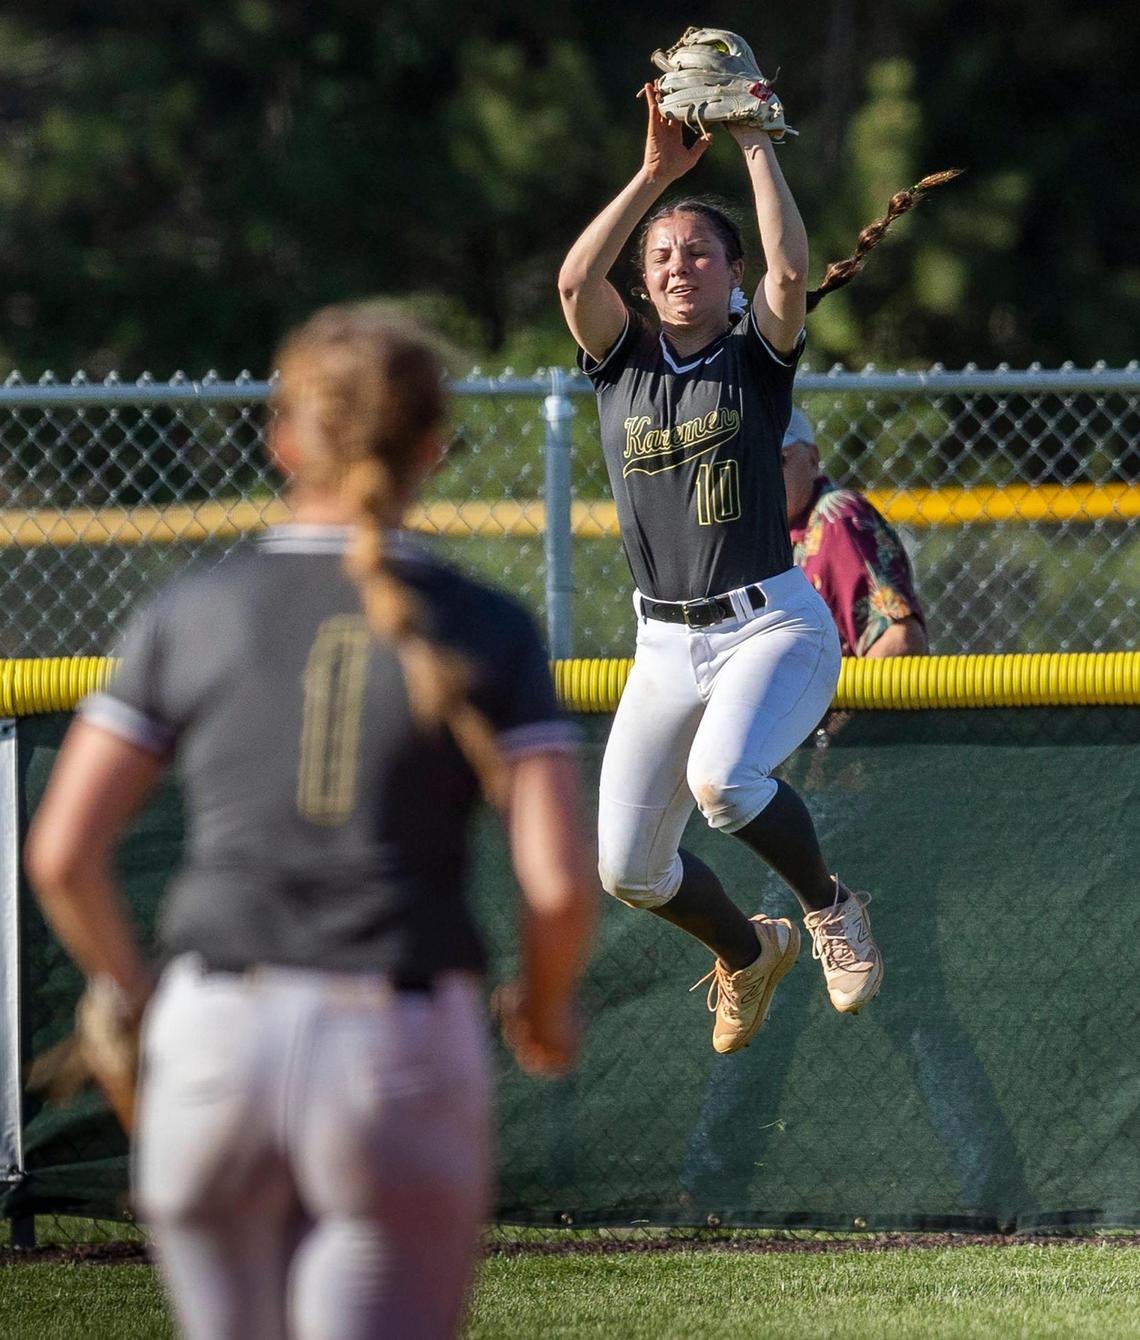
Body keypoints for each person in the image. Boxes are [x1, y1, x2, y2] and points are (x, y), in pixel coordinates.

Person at [25, 303, 597, 1340]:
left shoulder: (194, 609)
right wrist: (548, 1014)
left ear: (283, 439)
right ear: (434, 447)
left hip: (214, 1036)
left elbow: (62, 853)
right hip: (395, 1045)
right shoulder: (486, 625)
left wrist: (138, 996)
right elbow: (556, 888)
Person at [557, 83, 901, 1057]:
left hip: (771, 626)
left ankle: (830, 906)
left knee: (722, 781)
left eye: (699, 253)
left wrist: (753, 144)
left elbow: (792, 269)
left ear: (729, 272)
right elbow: (574, 283)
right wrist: (655, 177)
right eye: (663, 257)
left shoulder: (756, 357)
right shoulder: (620, 364)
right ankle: (751, 951)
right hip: (664, 641)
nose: (679, 267)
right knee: (626, 865)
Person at [782, 406, 929, 658]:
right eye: (751, 462)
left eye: (780, 459)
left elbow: (901, 640)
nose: (763, 472)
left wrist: (840, 696)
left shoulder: (837, 519)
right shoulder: (764, 533)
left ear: (813, 459)